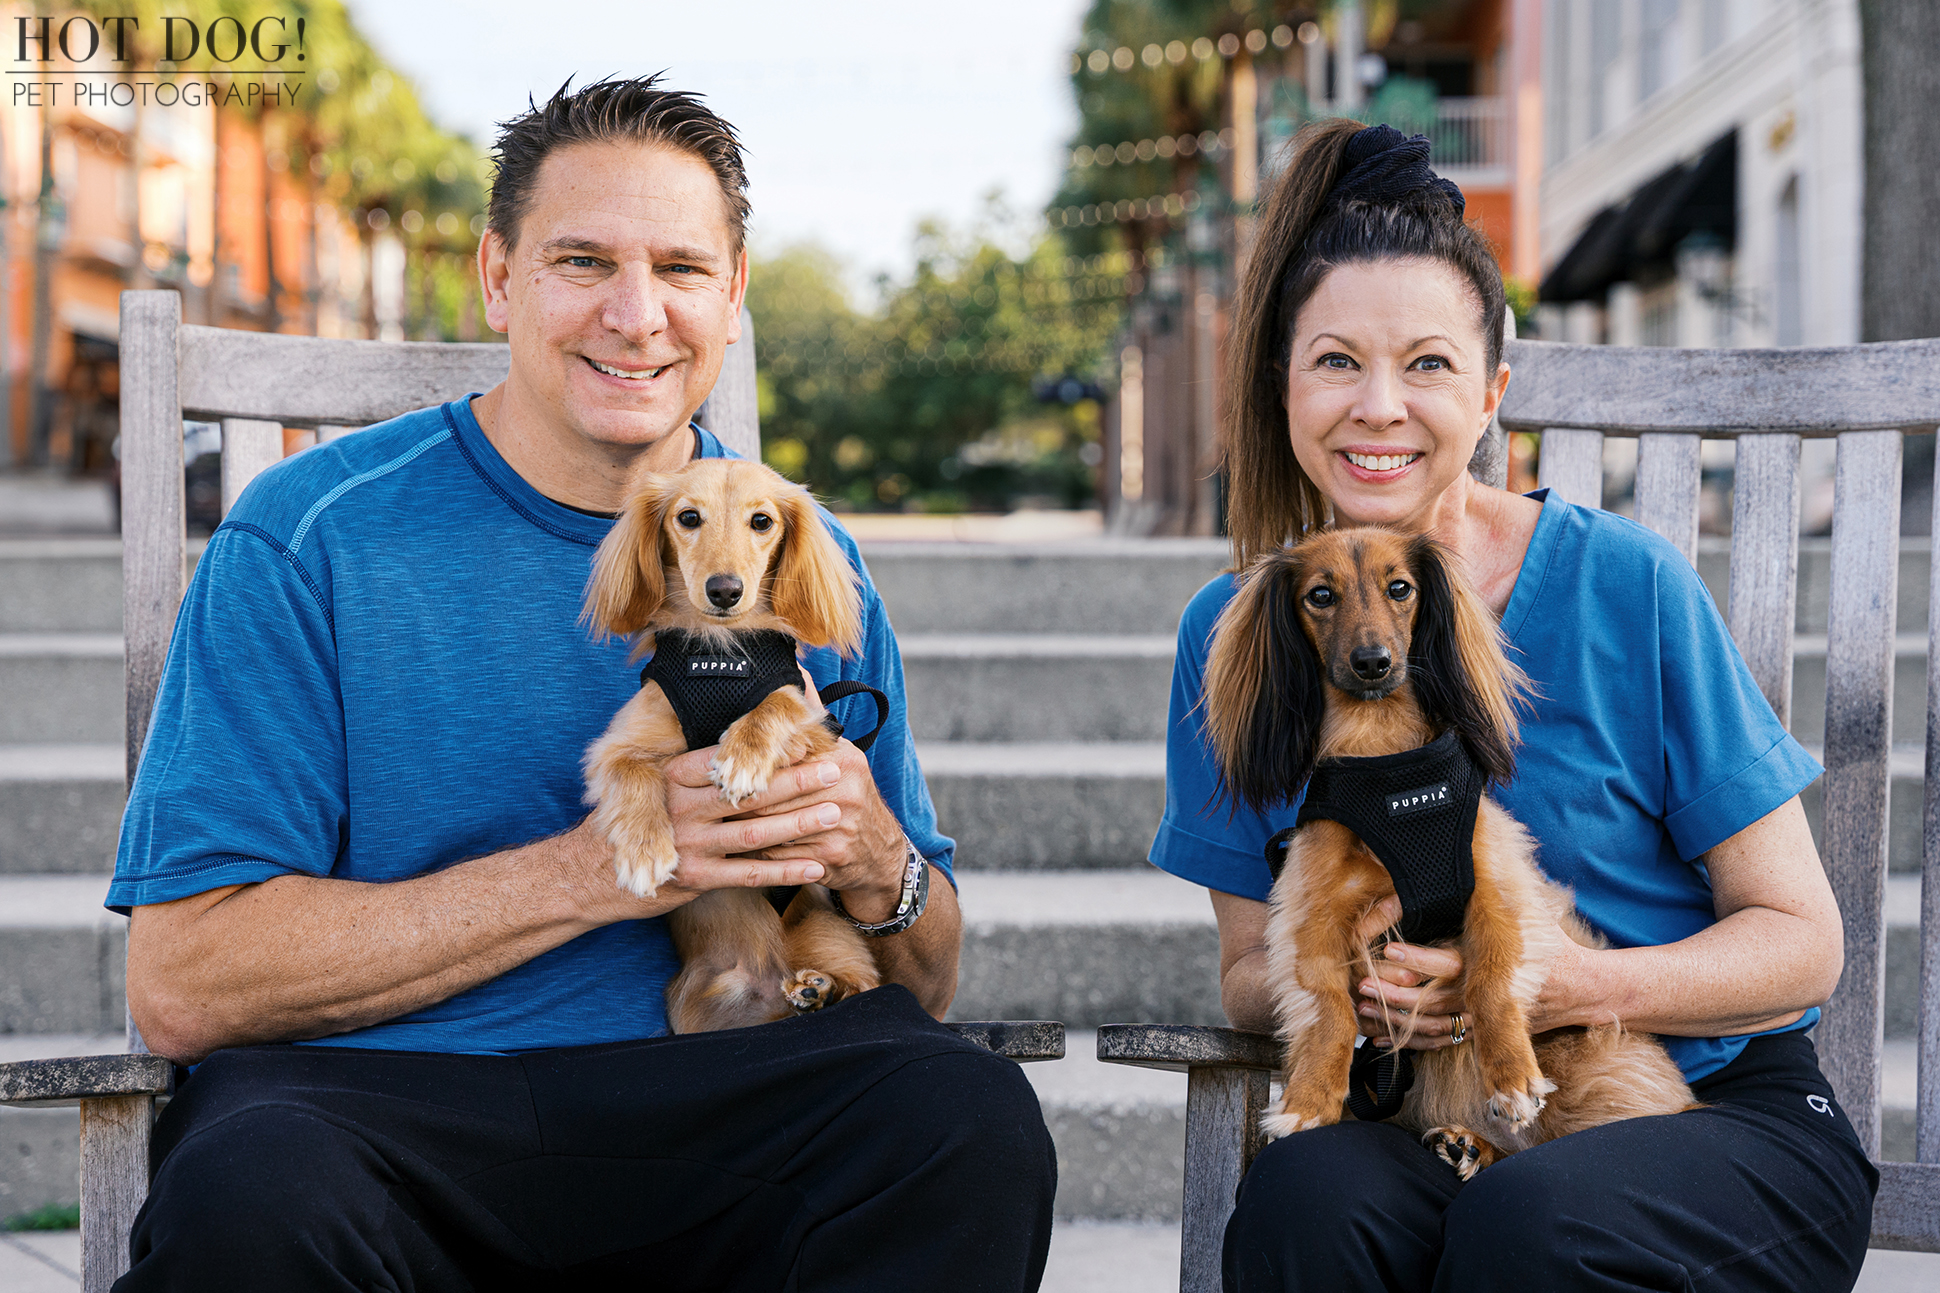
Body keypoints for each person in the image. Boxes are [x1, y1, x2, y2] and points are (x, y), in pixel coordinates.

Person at [108, 75, 1055, 1292]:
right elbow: (183, 986)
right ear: (500, 277)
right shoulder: (310, 537)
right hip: (387, 1114)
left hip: (729, 1094)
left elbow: (922, 979)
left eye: (679, 268)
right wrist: (602, 867)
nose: (636, 314)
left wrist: (879, 862)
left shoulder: (803, 559)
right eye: (581, 262)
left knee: (960, 1121)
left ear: (732, 293)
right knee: (252, 1197)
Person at [1151, 120, 1877, 1292]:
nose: (1377, 406)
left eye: (1426, 364)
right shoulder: (1243, 633)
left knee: (1529, 1227)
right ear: (1282, 384)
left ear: (1490, 392)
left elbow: (1800, 942)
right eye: (1335, 360)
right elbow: (1246, 969)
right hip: (1429, 1110)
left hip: (1698, 1105)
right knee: (1303, 1205)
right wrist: (1368, 982)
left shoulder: (1624, 586)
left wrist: (1558, 983)